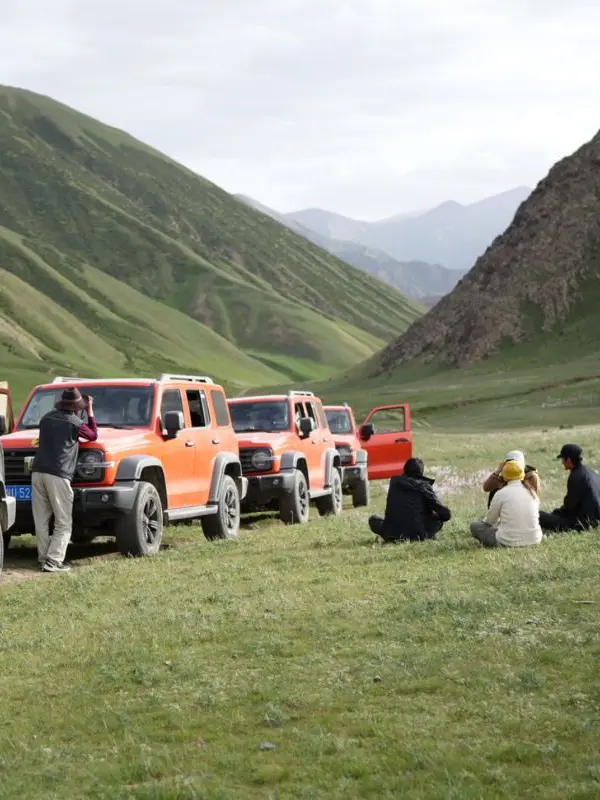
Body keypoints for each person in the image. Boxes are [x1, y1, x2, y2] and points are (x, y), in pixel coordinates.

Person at [31, 388, 98, 573]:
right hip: (58, 474)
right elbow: (93, 435)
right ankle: (53, 561)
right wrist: (90, 411)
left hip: (37, 472)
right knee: (63, 521)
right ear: (77, 407)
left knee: (41, 520)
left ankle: (43, 558)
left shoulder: (46, 418)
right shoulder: (75, 422)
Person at [369, 457, 451, 542]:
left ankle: (392, 535)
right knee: (438, 520)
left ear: (405, 470)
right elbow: (446, 514)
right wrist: (432, 515)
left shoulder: (394, 483)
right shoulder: (424, 486)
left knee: (373, 520)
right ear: (421, 472)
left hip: (392, 533)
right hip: (417, 534)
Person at [471, 460, 542, 548]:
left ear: (504, 476)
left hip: (507, 542)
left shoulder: (501, 493)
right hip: (535, 540)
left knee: (474, 526)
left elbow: (490, 521)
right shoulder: (532, 492)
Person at [539, 444, 600, 533]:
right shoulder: (590, 472)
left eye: (563, 459)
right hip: (595, 519)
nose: (562, 462)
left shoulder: (576, 476)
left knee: (540, 515)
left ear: (568, 460)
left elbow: (570, 507)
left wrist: (555, 514)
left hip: (584, 524)